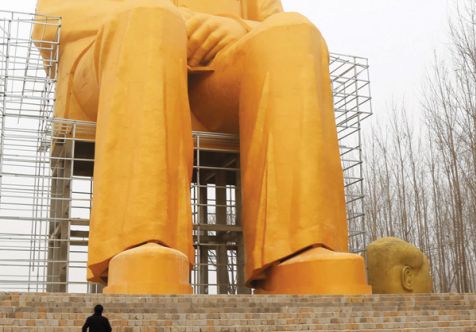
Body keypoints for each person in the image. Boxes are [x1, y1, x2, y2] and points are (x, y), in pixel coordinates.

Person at [33, 0, 371, 294]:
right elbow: (51, 22)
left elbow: (268, 21)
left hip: (214, 73)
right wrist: (173, 22)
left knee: (293, 33)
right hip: (112, 65)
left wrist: (234, 27)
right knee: (149, 19)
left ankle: (299, 248)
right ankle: (141, 241)